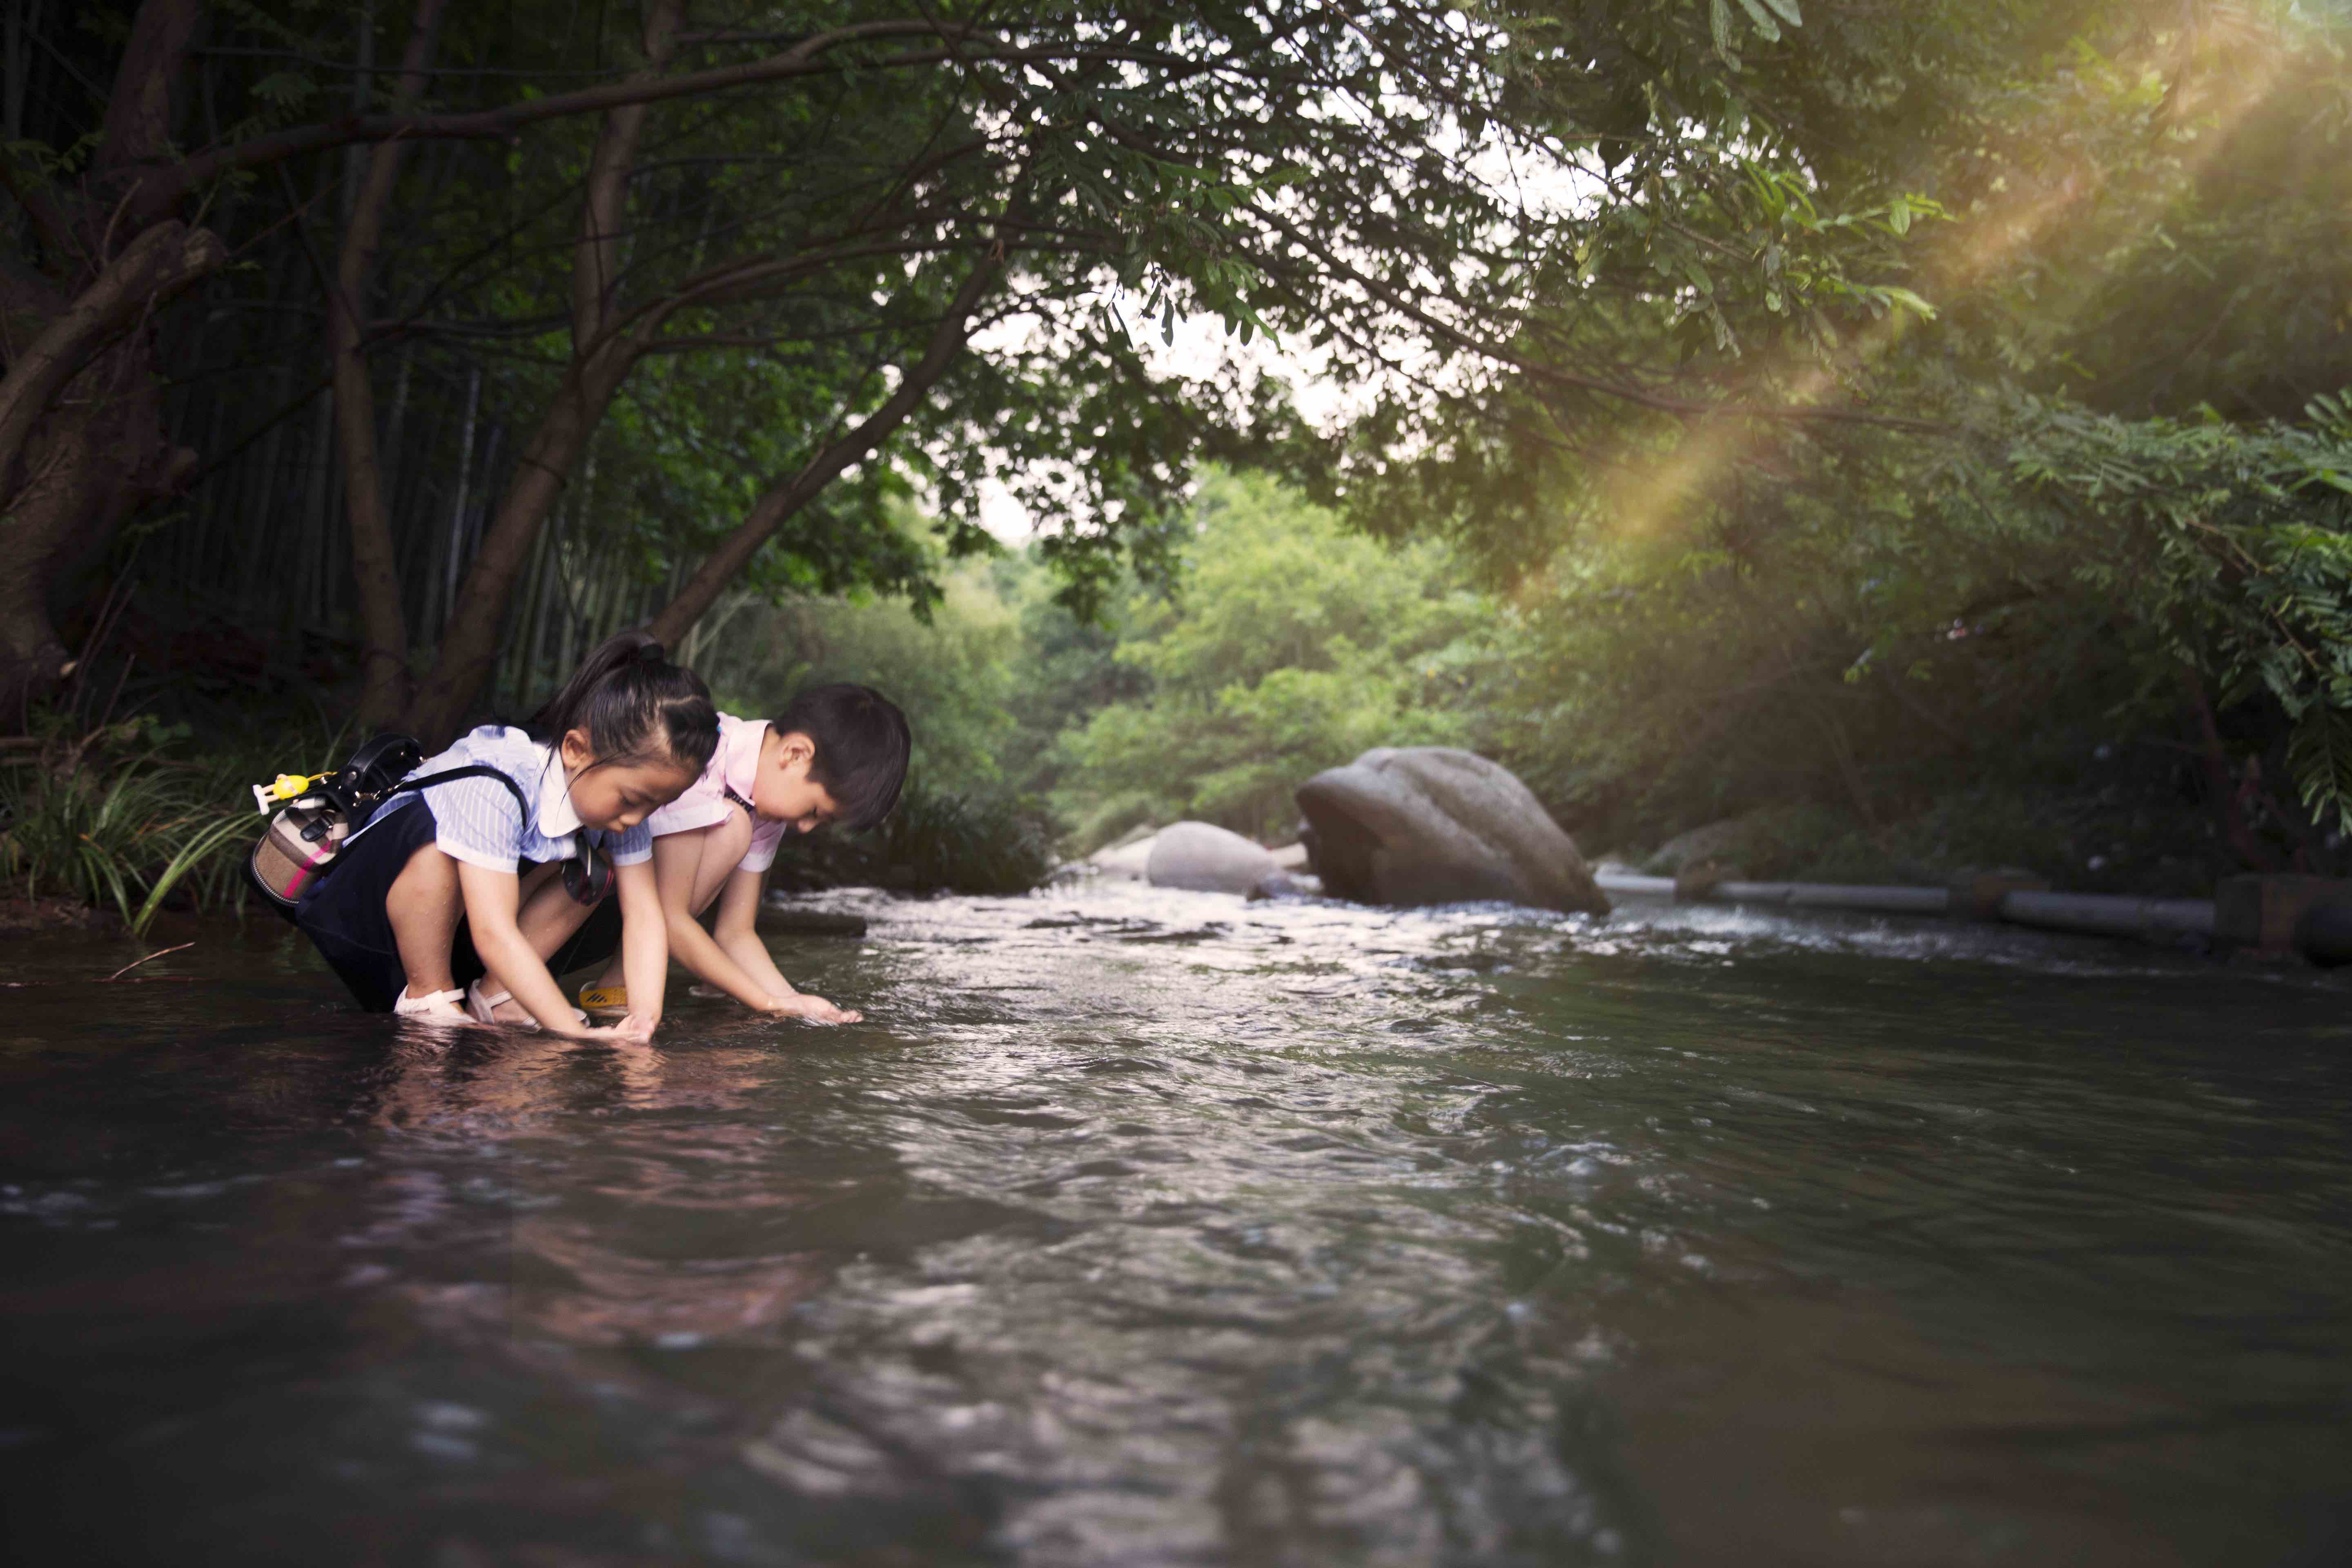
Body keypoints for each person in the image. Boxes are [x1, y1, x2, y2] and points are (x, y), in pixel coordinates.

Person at [293, 632, 719, 1037]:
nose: (636, 819)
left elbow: (645, 914)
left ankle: (499, 998)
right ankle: (430, 998)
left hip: (459, 929)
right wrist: (569, 1031)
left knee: (592, 871)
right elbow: (494, 933)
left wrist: (644, 1019)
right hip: (366, 922)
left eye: (655, 806)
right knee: (439, 849)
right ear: (575, 749)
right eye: (631, 799)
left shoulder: (616, 804)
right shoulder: (495, 778)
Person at [530, 683, 910, 1025]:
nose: (807, 828)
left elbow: (736, 932)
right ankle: (574, 985)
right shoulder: (700, 756)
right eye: (814, 812)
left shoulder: (762, 802)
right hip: (544, 879)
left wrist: (794, 1001)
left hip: (618, 909)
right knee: (732, 829)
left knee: (736, 828)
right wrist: (765, 1002)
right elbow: (670, 918)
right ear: (795, 754)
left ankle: (616, 990)